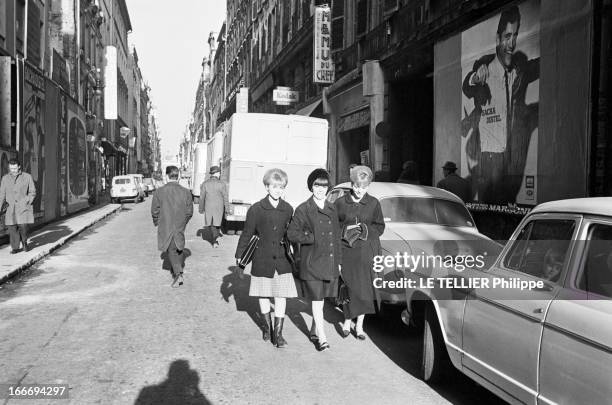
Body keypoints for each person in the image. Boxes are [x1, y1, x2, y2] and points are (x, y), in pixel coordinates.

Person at [462, 5, 539, 204]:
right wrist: (475, 77)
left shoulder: (519, 69)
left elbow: (538, 66)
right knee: (491, 204)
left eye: (515, 36)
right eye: (507, 36)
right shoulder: (484, 67)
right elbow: (467, 87)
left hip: (511, 158)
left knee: (506, 205)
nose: (511, 43)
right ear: (498, 39)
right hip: (489, 158)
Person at [235, 169, 297, 348]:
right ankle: (266, 327)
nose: (278, 190)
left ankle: (277, 334)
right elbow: (247, 234)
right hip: (262, 258)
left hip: (282, 260)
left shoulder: (288, 209)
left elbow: (290, 233)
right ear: (267, 187)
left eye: (281, 187)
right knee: (263, 294)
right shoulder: (256, 209)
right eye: (274, 186)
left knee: (281, 296)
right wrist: (240, 259)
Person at [287, 168, 342, 351]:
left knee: (321, 299)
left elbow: (336, 237)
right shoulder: (303, 209)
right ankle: (323, 338)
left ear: (328, 187)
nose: (320, 189)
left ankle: (313, 330)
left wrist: (339, 262)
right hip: (311, 262)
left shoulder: (332, 208)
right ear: (311, 187)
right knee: (317, 300)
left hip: (329, 261)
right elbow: (292, 233)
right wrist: (311, 238)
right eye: (317, 185)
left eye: (324, 185)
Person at [334, 165, 385, 340]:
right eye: (356, 186)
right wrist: (344, 232)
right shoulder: (340, 203)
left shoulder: (374, 203)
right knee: (348, 288)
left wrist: (365, 230)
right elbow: (334, 227)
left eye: (363, 187)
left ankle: (360, 326)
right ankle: (347, 322)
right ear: (351, 184)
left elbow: (380, 227)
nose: (359, 190)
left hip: (365, 253)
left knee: (363, 291)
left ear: (368, 186)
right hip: (346, 252)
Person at [151, 166, 194, 287]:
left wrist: (157, 221)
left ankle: (178, 273)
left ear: (166, 176)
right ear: (178, 177)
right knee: (178, 247)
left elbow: (155, 210)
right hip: (180, 225)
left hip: (166, 224)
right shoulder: (186, 192)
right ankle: (178, 269)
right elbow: (189, 212)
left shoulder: (159, 192)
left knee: (171, 249)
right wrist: (183, 222)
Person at [0, 159, 36, 254]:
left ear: (19, 167)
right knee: (12, 228)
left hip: (23, 206)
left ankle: (24, 242)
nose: (13, 170)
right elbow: (1, 195)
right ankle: (15, 247)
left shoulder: (27, 177)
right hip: (10, 207)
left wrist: (27, 200)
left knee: (23, 226)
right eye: (11, 168)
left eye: (15, 168)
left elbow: (32, 192)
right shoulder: (5, 178)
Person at [198, 165, 230, 247]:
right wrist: (227, 208)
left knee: (211, 223)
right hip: (219, 207)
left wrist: (201, 209)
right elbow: (225, 197)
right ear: (216, 173)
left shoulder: (205, 184)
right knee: (217, 223)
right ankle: (215, 240)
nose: (220, 174)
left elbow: (202, 198)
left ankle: (214, 239)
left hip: (208, 206)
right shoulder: (222, 184)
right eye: (219, 172)